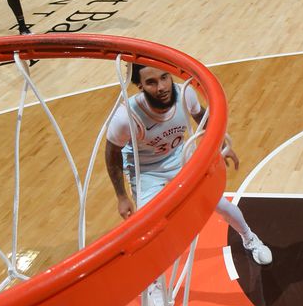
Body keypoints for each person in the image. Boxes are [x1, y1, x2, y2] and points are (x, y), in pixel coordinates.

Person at [104, 63, 273, 269]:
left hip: (181, 158)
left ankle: (249, 238)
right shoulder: (125, 117)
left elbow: (201, 116)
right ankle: (154, 285)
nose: (162, 87)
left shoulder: (185, 94)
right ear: (140, 86)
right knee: (149, 232)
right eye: (151, 82)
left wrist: (221, 145)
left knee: (221, 204)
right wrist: (121, 196)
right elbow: (112, 155)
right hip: (147, 172)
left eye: (165, 77)